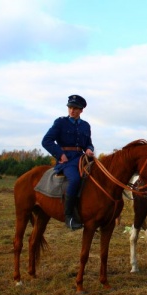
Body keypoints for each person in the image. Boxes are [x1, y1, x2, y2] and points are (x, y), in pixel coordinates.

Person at [42, 95, 95, 230]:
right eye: (70, 107)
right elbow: (46, 141)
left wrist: (89, 149)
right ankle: (69, 217)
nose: (72, 110)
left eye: (76, 108)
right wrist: (60, 154)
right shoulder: (60, 122)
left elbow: (88, 143)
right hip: (67, 160)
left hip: (82, 158)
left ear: (81, 110)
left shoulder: (85, 126)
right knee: (75, 180)